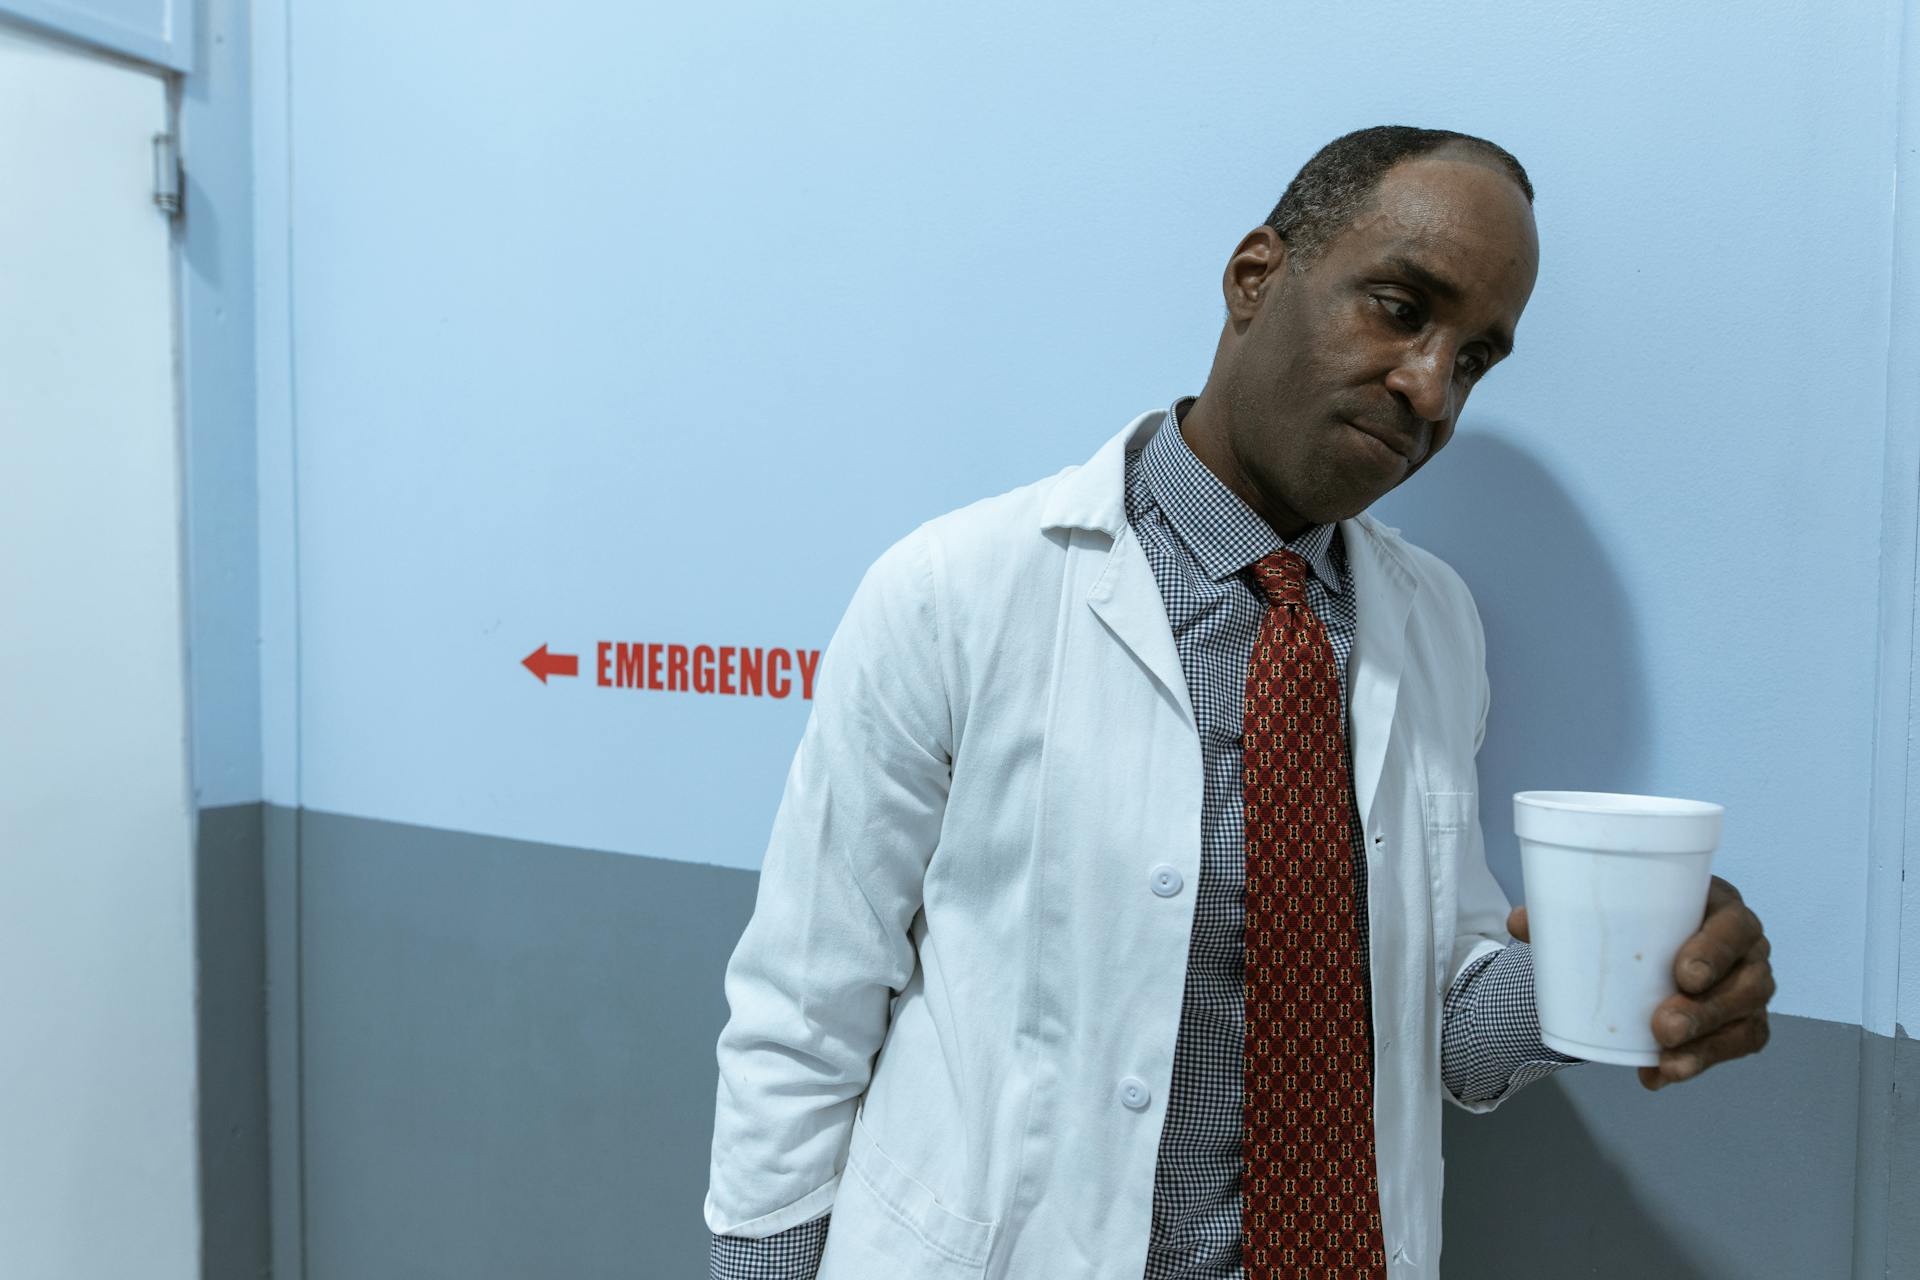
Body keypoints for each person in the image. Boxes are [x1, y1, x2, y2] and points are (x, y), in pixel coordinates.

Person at [703, 125, 1776, 1280]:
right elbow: (804, 1010)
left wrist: (1628, 954)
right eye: (1401, 307)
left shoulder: (1435, 624)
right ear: (1255, 276)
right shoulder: (956, 589)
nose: (1430, 387)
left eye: (1474, 359)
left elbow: (1447, 1025)